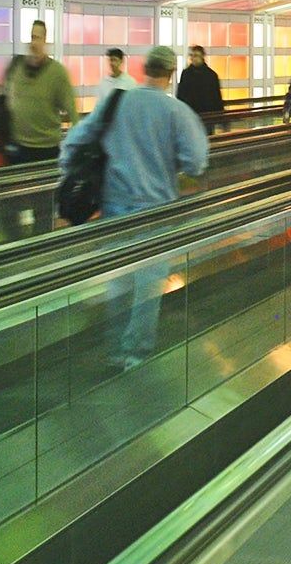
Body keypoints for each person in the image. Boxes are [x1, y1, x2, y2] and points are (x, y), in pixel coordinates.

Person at [60, 46, 208, 367]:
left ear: (144, 69)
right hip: (156, 210)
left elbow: (75, 141)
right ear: (170, 75)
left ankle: (114, 347)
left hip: (115, 208)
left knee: (119, 280)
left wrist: (71, 173)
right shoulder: (176, 112)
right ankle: (135, 352)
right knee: (149, 285)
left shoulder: (117, 102)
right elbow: (196, 162)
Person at [6, 20, 75, 164]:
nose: (34, 43)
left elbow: (71, 109)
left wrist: (78, 142)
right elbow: (8, 98)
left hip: (46, 148)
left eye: (37, 38)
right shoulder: (17, 67)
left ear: (45, 40)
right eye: (32, 37)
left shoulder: (57, 72)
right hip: (19, 146)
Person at [175, 44, 225, 123]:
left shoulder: (211, 75)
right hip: (190, 115)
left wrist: (220, 116)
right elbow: (180, 94)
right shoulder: (186, 73)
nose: (193, 58)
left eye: (196, 55)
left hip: (206, 115)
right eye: (191, 55)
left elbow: (216, 96)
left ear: (202, 57)